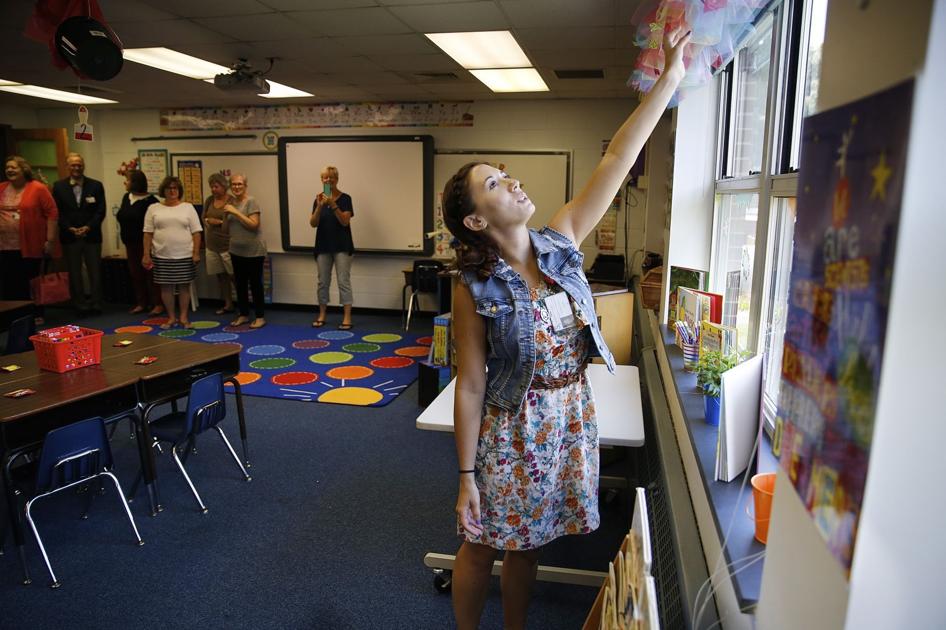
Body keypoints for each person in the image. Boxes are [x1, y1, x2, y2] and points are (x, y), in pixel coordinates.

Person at [442, 29, 691, 630]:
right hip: (511, 426)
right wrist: (466, 476)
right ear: (475, 220)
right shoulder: (473, 286)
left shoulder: (562, 242)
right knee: (481, 544)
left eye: (505, 174)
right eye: (494, 184)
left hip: (569, 417)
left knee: (530, 545)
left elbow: (617, 160)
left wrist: (670, 80)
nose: (513, 182)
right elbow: (470, 385)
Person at [142, 176, 202, 329]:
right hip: (162, 254)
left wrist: (196, 253)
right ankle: (171, 317)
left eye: (175, 188)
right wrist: (146, 254)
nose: (172, 191)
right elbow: (148, 233)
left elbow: (196, 232)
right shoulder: (153, 208)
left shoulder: (188, 207)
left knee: (184, 286)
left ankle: (183, 317)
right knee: (166, 287)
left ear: (179, 190)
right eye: (169, 188)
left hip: (184, 254)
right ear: (163, 191)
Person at [52, 152, 106, 315]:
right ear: (67, 167)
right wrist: (69, 228)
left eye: (79, 165)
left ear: (83, 166)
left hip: (92, 235)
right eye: (73, 165)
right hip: (70, 236)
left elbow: (100, 211)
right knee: (74, 273)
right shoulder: (59, 187)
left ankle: (96, 303)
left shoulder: (95, 185)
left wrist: (88, 227)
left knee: (95, 271)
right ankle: (80, 304)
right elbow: (57, 212)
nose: (76, 167)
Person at [0, 155, 58, 301]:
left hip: (30, 244)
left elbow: (52, 213)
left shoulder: (38, 188)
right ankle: (13, 312)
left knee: (30, 282)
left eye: (13, 167)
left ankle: (33, 310)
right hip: (4, 245)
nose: (9, 170)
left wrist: (50, 240)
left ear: (24, 169)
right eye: (7, 167)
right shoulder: (1, 188)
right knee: (8, 282)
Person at [309, 165, 354, 330]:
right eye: (325, 177)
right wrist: (320, 206)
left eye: (331, 177)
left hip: (342, 246)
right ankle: (322, 314)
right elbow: (313, 223)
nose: (328, 180)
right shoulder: (318, 199)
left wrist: (333, 204)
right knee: (322, 282)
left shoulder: (345, 199)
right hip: (323, 246)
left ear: (337, 179)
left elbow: (345, 221)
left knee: (343, 281)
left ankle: (347, 317)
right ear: (322, 180)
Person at [222, 173, 267, 329]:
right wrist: (225, 215)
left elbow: (254, 225)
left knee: (255, 284)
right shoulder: (230, 203)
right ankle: (243, 314)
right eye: (234, 184)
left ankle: (260, 317)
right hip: (236, 249)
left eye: (239, 184)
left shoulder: (251, 201)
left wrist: (235, 212)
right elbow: (225, 229)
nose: (236, 187)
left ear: (245, 186)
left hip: (254, 250)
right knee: (240, 284)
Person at [116, 170, 162, 315]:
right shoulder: (126, 197)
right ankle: (142, 302)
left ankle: (157, 303)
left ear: (135, 183)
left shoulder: (151, 201)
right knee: (135, 273)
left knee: (150, 274)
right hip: (130, 243)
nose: (125, 182)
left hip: (146, 244)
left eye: (128, 180)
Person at [201, 172, 235, 315]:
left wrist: (219, 222)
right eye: (211, 187)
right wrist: (208, 221)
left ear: (224, 186)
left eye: (216, 186)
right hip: (211, 245)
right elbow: (203, 217)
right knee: (221, 276)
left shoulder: (231, 201)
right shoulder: (209, 200)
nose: (213, 189)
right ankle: (228, 304)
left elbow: (233, 222)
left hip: (227, 245)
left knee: (234, 276)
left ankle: (243, 306)